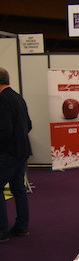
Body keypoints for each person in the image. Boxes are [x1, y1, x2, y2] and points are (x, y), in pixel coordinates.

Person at [0, 67, 32, 242]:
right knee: (18, 188)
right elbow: (28, 124)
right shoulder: (18, 97)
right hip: (22, 151)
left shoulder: (2, 99)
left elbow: (4, 130)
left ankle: (1, 231)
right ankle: (22, 227)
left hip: (9, 153)